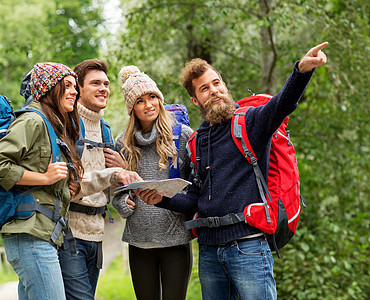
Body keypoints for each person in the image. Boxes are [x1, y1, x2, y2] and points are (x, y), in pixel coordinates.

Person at [139, 42, 329, 299]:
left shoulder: (249, 122)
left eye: (216, 83)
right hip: (209, 252)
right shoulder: (196, 141)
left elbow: (282, 104)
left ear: (224, 85)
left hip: (248, 246)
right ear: (195, 100)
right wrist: (162, 200)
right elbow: (196, 197)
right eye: (205, 89)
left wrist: (302, 71)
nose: (214, 91)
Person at [0, 62, 140, 300]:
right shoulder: (34, 121)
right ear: (49, 89)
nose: (73, 91)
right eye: (67, 86)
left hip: (51, 232)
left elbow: (58, 180)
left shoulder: (55, 124)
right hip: (36, 232)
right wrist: (46, 177)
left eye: (73, 86)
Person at [109, 65, 194, 300]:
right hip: (139, 242)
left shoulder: (183, 135)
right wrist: (124, 203)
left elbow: (195, 187)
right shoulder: (122, 144)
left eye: (153, 97)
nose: (149, 105)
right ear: (131, 108)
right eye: (140, 101)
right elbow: (116, 191)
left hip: (175, 240)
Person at [58, 59, 129, 300]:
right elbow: (69, 187)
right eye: (95, 83)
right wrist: (114, 174)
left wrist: (123, 171)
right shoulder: (66, 126)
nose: (104, 88)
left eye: (106, 84)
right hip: (69, 233)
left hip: (97, 234)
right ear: (78, 88)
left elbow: (109, 185)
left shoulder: (106, 130)